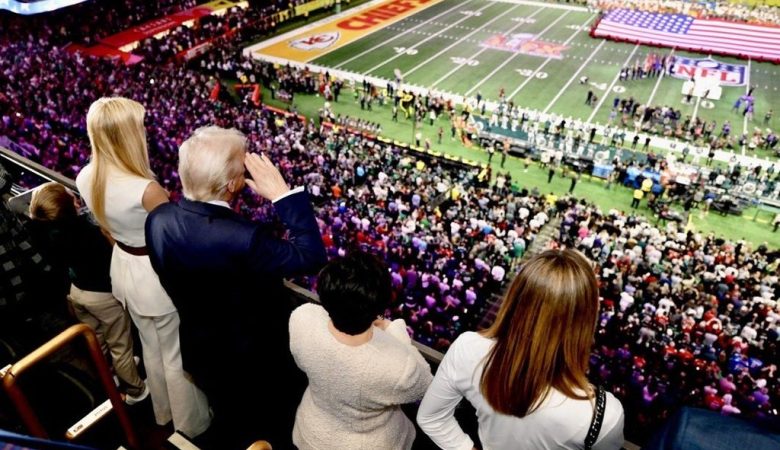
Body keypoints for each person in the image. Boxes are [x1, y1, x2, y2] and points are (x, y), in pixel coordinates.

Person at [145, 126, 327, 449]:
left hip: (201, 351)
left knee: (230, 419)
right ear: (233, 185)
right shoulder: (244, 238)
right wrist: (282, 195)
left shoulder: (158, 220)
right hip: (256, 363)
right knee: (268, 427)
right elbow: (311, 256)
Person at [75, 97, 211, 439]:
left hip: (123, 265)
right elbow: (176, 240)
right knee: (173, 355)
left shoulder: (85, 176)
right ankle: (190, 425)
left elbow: (106, 229)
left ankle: (163, 413)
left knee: (150, 347)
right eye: (140, 128)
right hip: (154, 274)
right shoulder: (147, 190)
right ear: (127, 136)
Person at [417, 250, 624, 449]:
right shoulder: (604, 414)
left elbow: (431, 417)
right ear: (586, 321)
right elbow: (431, 418)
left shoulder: (468, 349)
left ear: (516, 299)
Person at [289, 252, 433, 450]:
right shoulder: (400, 365)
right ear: (380, 307)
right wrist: (393, 329)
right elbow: (426, 385)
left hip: (311, 432)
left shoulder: (302, 318)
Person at [27, 182, 147, 404]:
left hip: (76, 292)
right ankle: (135, 390)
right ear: (71, 205)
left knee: (97, 340)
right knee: (121, 344)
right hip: (101, 296)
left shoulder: (43, 231)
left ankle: (108, 374)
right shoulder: (89, 233)